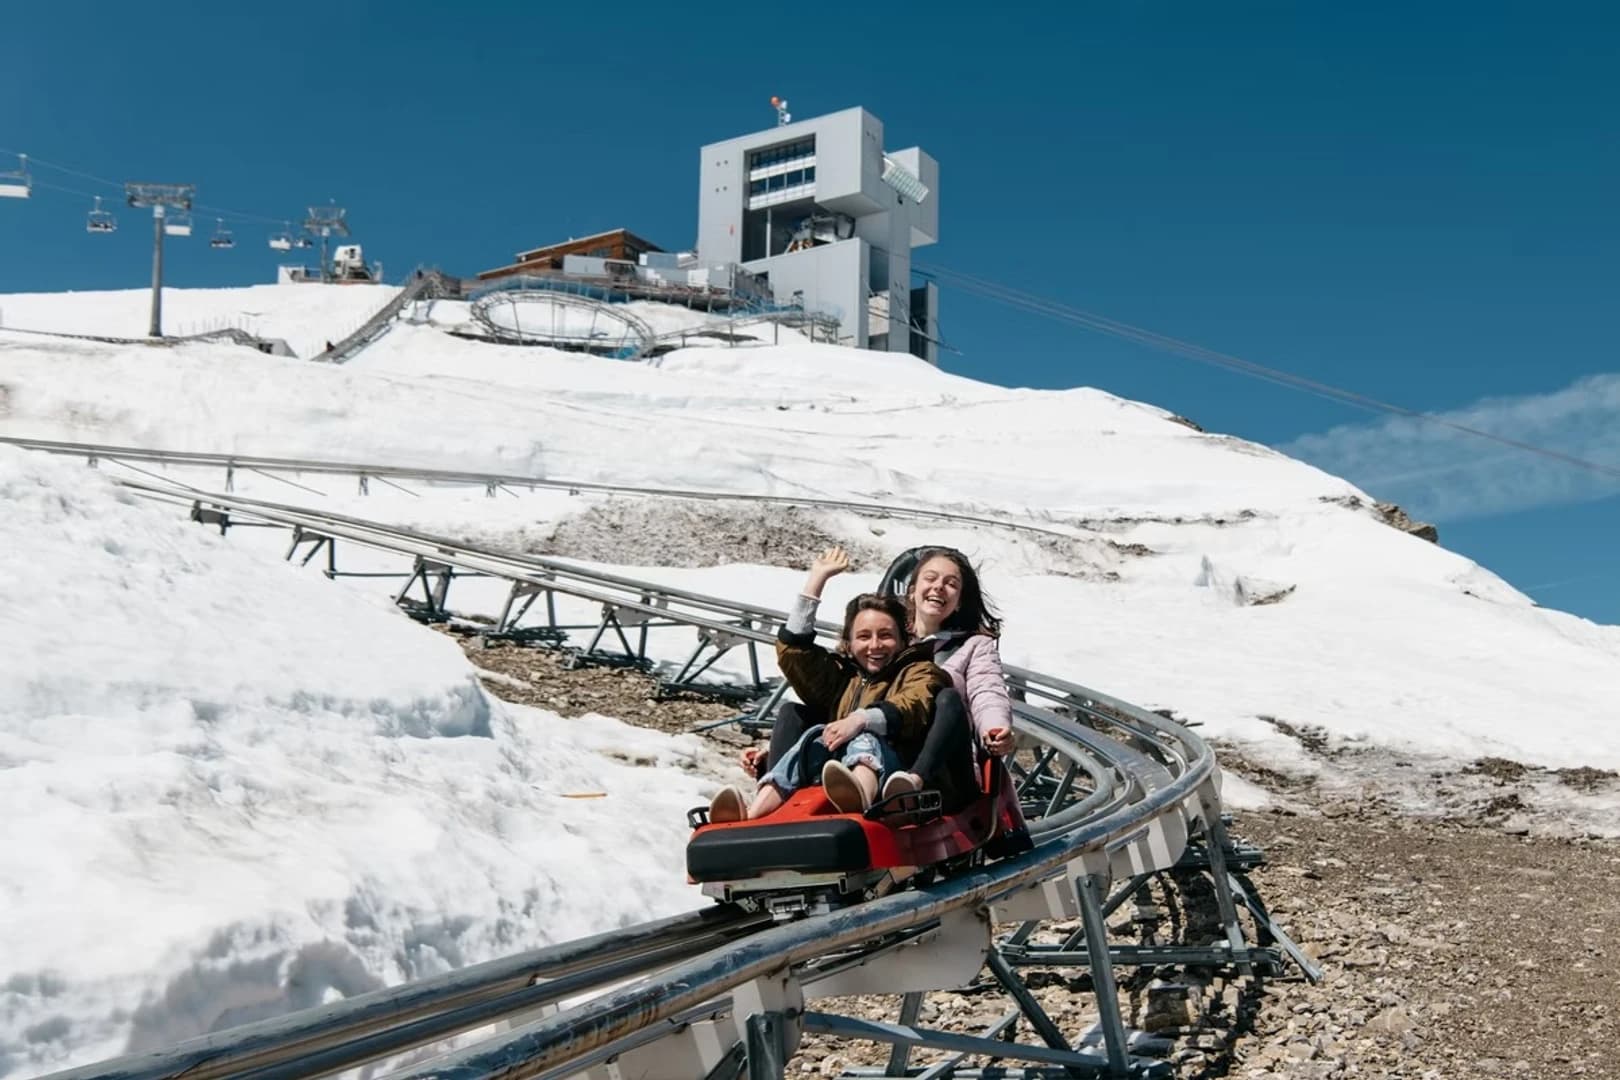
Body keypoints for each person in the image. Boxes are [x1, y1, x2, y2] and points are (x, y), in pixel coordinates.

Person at [740, 545, 1019, 816]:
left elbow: (987, 691)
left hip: (938, 764)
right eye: (930, 579)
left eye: (951, 584)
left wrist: (995, 728)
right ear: (912, 591)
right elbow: (848, 695)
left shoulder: (970, 646)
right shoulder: (884, 640)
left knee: (945, 698)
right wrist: (774, 749)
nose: (938, 588)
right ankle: (770, 810)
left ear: (960, 600)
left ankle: (909, 782)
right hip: (879, 747)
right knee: (795, 712)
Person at [708, 547, 949, 822]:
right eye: (863, 636)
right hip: (836, 772)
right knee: (810, 738)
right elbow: (796, 654)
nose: (874, 645)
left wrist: (860, 719)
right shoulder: (843, 677)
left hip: (894, 775)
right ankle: (755, 813)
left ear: (903, 640)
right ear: (849, 642)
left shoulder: (920, 671)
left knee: (866, 737)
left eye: (885, 635)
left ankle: (860, 794)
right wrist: (816, 581)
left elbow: (912, 705)